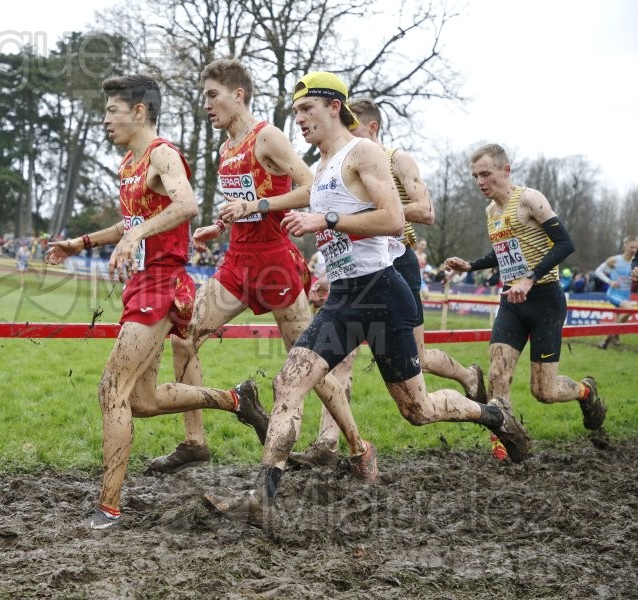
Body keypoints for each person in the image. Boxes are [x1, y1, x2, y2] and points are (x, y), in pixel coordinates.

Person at [204, 73, 527, 527]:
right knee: (289, 382)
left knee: (419, 410)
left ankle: (494, 415)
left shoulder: (364, 151)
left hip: (382, 293)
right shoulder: (322, 165)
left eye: (306, 110)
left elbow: (395, 218)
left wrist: (327, 219)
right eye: (295, 112)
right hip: (343, 296)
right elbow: (301, 199)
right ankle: (263, 498)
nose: (298, 120)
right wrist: (254, 209)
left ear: (334, 107)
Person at [46, 74, 269, 530]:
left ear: (139, 111)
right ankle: (235, 399)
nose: (105, 118)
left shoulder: (163, 154)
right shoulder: (129, 163)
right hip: (142, 285)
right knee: (143, 400)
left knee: (112, 390)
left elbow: (185, 205)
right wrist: (80, 243)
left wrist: (137, 234)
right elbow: (131, 222)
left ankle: (107, 507)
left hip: (163, 286)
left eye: (112, 109)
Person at [145, 59, 370, 478]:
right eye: (204, 97)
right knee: (184, 339)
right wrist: (220, 224)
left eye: (212, 95)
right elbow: (246, 204)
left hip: (275, 265)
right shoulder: (226, 148)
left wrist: (258, 205)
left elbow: (312, 190)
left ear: (238, 95)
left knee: (307, 365)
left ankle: (357, 446)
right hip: (236, 263)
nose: (207, 105)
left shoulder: (267, 136)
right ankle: (195, 442)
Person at [289, 98, 488, 467]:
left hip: (398, 263)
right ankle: (328, 442)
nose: (347, 142)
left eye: (355, 131)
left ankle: (467, 374)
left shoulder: (394, 158)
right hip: (356, 269)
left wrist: (368, 207)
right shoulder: (336, 162)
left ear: (372, 129)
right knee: (340, 358)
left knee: (420, 363)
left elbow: (425, 211)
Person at [444, 143, 606, 458]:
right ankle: (503, 441)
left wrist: (530, 278)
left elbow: (564, 243)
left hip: (545, 299)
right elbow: (504, 253)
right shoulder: (491, 211)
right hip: (512, 301)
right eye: (476, 176)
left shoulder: (529, 199)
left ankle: (585, 391)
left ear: (506, 170)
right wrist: (471, 265)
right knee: (496, 373)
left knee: (543, 391)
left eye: (486, 174)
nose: (480, 182)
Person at [593, 235, 637, 349]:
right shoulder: (615, 260)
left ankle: (606, 341)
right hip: (614, 294)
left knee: (619, 319)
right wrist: (610, 281)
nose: (634, 250)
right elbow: (598, 271)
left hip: (625, 295)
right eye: (631, 247)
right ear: (625, 246)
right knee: (629, 311)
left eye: (636, 248)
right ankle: (613, 335)